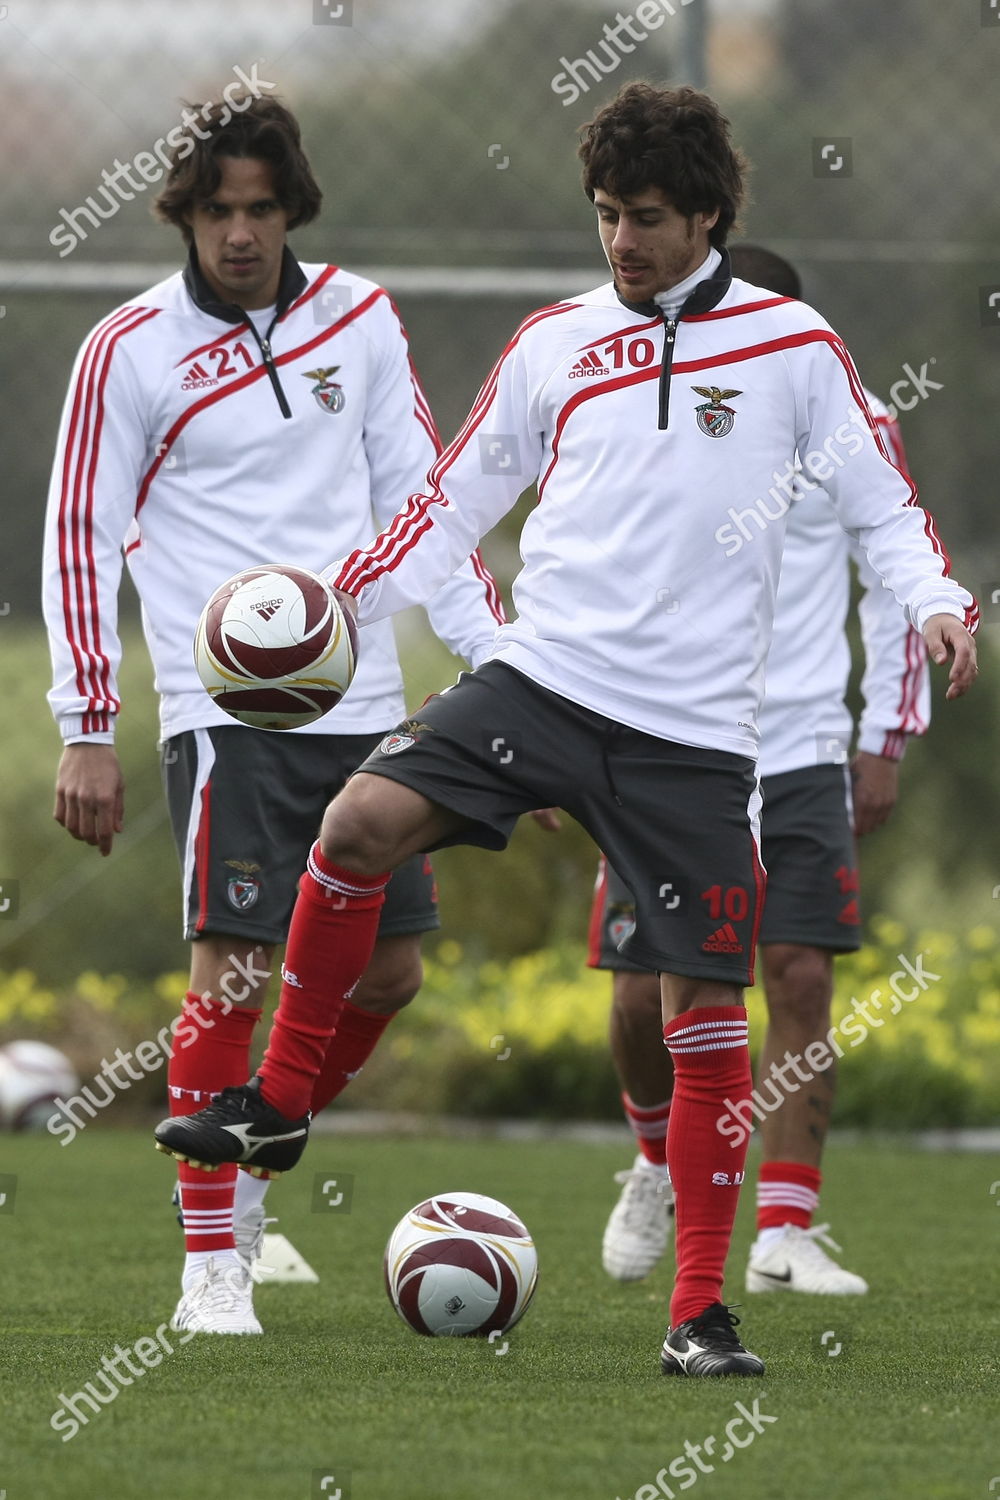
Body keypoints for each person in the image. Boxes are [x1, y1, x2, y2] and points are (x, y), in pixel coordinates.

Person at [156, 83, 978, 1378]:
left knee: (708, 1008)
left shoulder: (795, 346)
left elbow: (886, 509)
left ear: (706, 211)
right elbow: (449, 499)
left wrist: (933, 603)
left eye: (647, 217)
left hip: (698, 736)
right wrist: (344, 597)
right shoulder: (554, 343)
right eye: (605, 216)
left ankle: (699, 1315)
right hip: (543, 683)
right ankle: (278, 1108)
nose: (622, 242)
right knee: (359, 824)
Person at [42, 95, 504, 1336]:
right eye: (214, 211)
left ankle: (252, 1149)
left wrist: (505, 671)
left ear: (290, 207)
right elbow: (79, 539)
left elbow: (425, 505)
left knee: (392, 972)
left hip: (366, 701)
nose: (238, 234)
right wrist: (88, 719)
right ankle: (213, 1265)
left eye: (258, 208)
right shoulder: (126, 349)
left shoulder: (360, 317)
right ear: (183, 215)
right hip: (224, 706)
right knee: (233, 969)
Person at [592, 243, 929, 1296]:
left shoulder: (852, 422)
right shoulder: (655, 404)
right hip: (665, 745)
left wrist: (882, 738)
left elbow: (896, 571)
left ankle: (783, 1231)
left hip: (797, 748)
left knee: (798, 979)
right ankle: (654, 1159)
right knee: (645, 995)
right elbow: (587, 564)